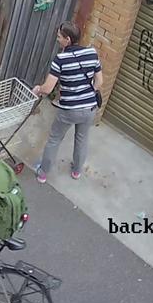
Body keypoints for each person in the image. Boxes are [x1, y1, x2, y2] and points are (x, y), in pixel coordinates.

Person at [32, 21, 103, 183]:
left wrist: (38, 88)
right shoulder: (92, 53)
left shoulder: (61, 59)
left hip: (69, 110)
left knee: (54, 139)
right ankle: (77, 171)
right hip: (89, 108)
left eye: (59, 37)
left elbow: (48, 88)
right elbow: (99, 81)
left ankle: (43, 173)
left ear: (68, 40)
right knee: (82, 138)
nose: (57, 39)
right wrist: (85, 93)